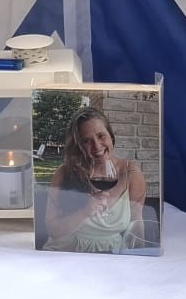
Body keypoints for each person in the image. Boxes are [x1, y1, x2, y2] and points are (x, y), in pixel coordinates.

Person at [42, 106, 146, 252]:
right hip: (67, 251)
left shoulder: (131, 173)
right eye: (86, 141)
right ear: (78, 146)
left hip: (112, 254)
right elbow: (54, 231)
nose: (97, 146)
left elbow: (136, 222)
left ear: (111, 136)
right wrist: (85, 211)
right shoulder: (64, 173)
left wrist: (141, 255)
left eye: (101, 136)